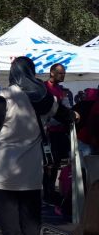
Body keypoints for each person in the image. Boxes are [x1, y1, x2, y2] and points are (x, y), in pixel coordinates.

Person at [0, 56, 75, 235]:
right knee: (31, 210)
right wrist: (75, 114)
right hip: (31, 163)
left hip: (5, 163)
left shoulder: (5, 96)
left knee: (8, 208)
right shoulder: (43, 98)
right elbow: (66, 115)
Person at [43, 63, 72, 203]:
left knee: (56, 163)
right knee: (48, 163)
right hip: (48, 132)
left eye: (64, 73)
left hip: (60, 132)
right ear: (52, 73)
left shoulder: (60, 90)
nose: (63, 75)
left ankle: (51, 191)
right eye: (60, 73)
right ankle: (47, 192)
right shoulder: (44, 88)